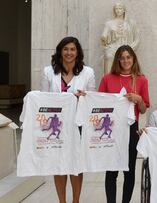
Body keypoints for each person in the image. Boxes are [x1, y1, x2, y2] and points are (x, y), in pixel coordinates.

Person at [40, 36, 96, 203]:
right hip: (56, 125)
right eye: (65, 49)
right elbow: (43, 98)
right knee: (59, 164)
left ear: (77, 52)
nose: (69, 52)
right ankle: (62, 201)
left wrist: (83, 98)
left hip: (78, 124)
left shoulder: (88, 72)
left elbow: (91, 99)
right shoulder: (48, 71)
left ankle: (75, 201)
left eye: (72, 49)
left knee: (76, 165)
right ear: (60, 51)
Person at [98, 45, 150, 203]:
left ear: (133, 58)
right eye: (122, 57)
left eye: (128, 57)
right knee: (111, 171)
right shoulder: (107, 78)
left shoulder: (141, 79)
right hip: (111, 129)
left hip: (131, 128)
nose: (126, 60)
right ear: (118, 60)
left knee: (129, 170)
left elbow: (142, 109)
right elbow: (99, 104)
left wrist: (139, 99)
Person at [101, 2, 140, 74]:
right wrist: (104, 38)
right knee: (108, 55)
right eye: (116, 9)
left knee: (127, 56)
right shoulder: (109, 23)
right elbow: (104, 36)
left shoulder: (131, 23)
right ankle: (108, 80)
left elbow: (137, 39)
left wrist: (130, 48)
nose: (118, 10)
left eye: (120, 8)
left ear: (124, 10)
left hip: (126, 48)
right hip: (113, 48)